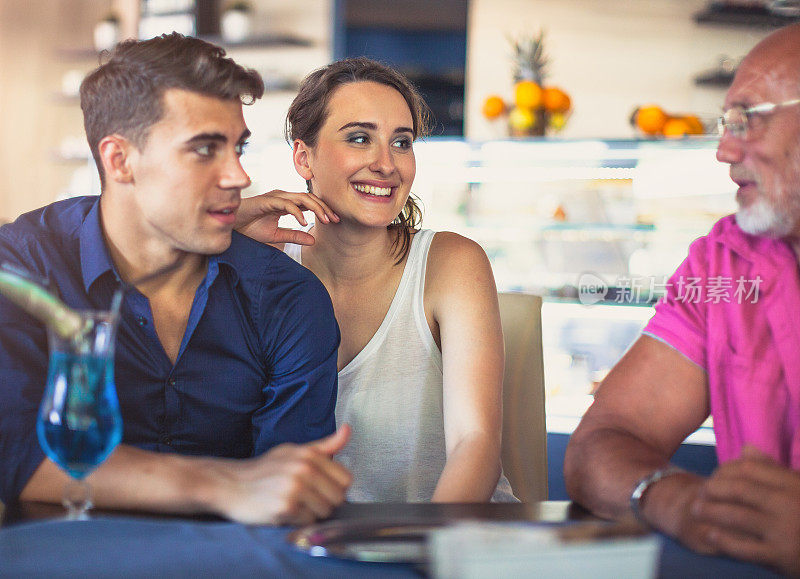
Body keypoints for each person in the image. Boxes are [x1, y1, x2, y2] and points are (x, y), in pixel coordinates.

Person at [0, 33, 352, 526]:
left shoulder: (288, 296)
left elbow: (291, 488)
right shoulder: (24, 265)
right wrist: (221, 483)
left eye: (238, 147)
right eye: (205, 149)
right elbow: (11, 451)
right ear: (119, 159)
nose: (238, 176)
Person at [564, 23, 800, 575]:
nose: (725, 150)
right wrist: (674, 500)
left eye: (749, 120)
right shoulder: (724, 263)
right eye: (727, 123)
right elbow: (601, 442)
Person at [237, 57, 516, 502]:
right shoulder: (262, 266)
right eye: (360, 138)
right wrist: (227, 230)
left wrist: (430, 549)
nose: (387, 164)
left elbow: (475, 443)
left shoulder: (452, 263)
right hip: (318, 548)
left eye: (402, 143)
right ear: (303, 157)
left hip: (446, 541)